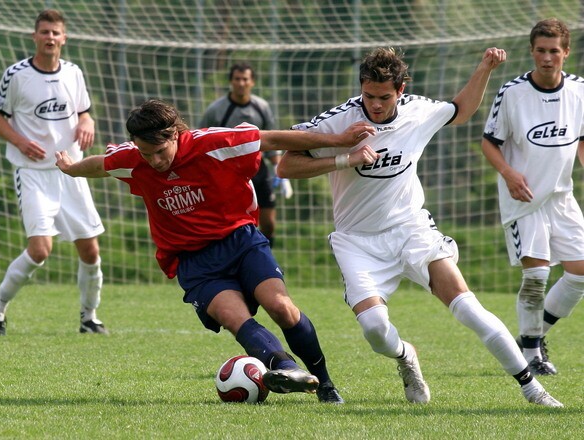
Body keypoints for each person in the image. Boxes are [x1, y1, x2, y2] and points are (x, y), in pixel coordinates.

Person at [277, 46, 563, 407]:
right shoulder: (338, 121)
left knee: (469, 308)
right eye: (368, 95)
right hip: (357, 241)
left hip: (411, 230)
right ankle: (405, 356)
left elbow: (460, 110)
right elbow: (285, 166)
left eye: (384, 97)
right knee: (375, 331)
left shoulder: (417, 111)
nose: (375, 105)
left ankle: (532, 389)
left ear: (400, 90)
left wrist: (485, 68)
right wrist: (343, 159)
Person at [55, 99, 373, 403]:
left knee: (281, 308)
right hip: (194, 260)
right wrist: (71, 168)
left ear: (175, 135)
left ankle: (325, 384)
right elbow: (100, 165)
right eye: (146, 154)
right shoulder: (134, 159)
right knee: (234, 318)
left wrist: (340, 140)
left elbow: (272, 138)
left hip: (241, 242)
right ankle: (287, 369)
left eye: (160, 151)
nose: (154, 161)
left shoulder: (212, 144)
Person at [0, 9, 107, 336]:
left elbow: (85, 113)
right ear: (34, 36)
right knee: (40, 250)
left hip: (72, 171)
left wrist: (87, 123)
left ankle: (89, 317)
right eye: (44, 32)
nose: (50, 37)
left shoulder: (74, 73)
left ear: (64, 38)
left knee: (90, 251)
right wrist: (20, 141)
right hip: (33, 174)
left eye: (55, 32)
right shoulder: (16, 75)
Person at [481, 18, 584, 376]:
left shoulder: (579, 90)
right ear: (532, 51)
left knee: (580, 274)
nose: (547, 57)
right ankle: (531, 354)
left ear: (566, 52)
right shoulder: (513, 93)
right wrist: (509, 174)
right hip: (523, 200)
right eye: (541, 50)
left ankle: (533, 337)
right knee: (537, 276)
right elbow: (489, 143)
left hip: (561, 197)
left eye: (554, 50)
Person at [198, 63, 291, 248]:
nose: (241, 83)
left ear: (252, 82)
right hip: (229, 173)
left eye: (245, 79)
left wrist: (280, 172)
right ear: (231, 82)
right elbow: (200, 141)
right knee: (237, 224)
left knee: (268, 223)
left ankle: (266, 255)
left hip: (258, 169)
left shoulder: (261, 107)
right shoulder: (216, 110)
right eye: (237, 79)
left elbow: (272, 142)